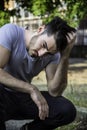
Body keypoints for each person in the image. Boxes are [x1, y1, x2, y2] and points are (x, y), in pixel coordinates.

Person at [0, 16, 76, 130]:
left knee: (66, 110)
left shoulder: (52, 55)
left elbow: (55, 91)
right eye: (43, 45)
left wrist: (65, 56)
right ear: (40, 29)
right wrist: (31, 89)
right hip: (2, 96)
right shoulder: (10, 32)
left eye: (48, 53)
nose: (41, 54)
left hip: (22, 99)